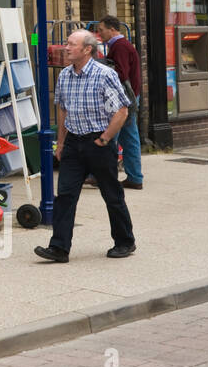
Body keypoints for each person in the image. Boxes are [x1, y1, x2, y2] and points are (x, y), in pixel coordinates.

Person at [35, 30, 135, 263]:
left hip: (98, 143)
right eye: (67, 44)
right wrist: (60, 142)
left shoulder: (104, 75)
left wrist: (105, 139)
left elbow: (121, 110)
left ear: (87, 49)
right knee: (66, 196)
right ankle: (59, 248)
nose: (66, 48)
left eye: (71, 44)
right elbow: (62, 110)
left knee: (111, 194)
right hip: (73, 144)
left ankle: (124, 241)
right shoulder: (64, 76)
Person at [96, 16, 143, 189]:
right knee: (129, 136)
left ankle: (100, 175)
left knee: (109, 135)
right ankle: (135, 177)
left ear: (112, 29)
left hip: (122, 98)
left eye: (101, 30)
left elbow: (121, 74)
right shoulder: (121, 45)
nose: (99, 34)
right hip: (129, 96)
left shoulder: (120, 46)